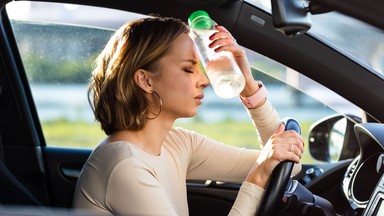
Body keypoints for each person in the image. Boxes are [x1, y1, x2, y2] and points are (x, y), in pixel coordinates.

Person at [73, 15, 304, 215]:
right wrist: (259, 174)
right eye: (188, 69)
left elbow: (287, 166)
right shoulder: (123, 165)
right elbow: (266, 169)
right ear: (145, 80)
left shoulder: (179, 144)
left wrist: (248, 85)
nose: (204, 81)